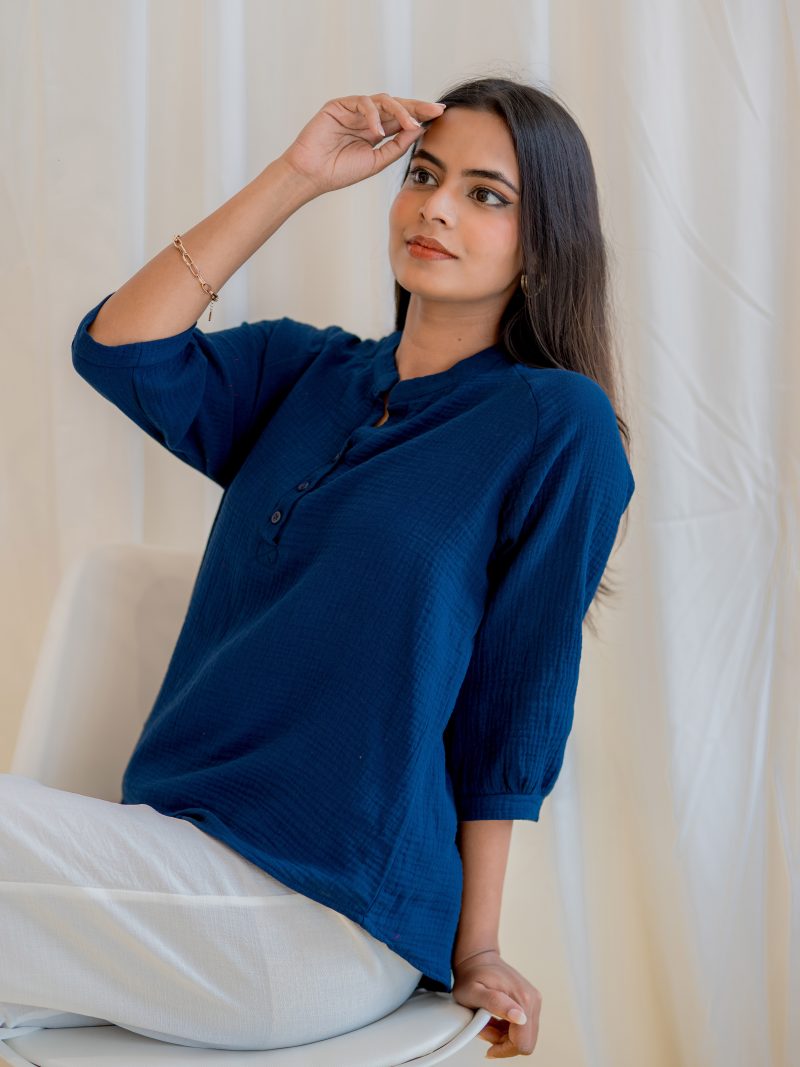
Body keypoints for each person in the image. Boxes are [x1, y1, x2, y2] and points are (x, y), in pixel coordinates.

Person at [1, 78, 635, 1059]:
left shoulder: (555, 424)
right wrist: (297, 175)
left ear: (543, 243)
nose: (435, 207)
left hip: (318, 911)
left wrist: (476, 946)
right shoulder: (306, 372)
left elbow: (513, 704)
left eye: (485, 194)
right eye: (423, 176)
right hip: (166, 869)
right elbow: (120, 350)